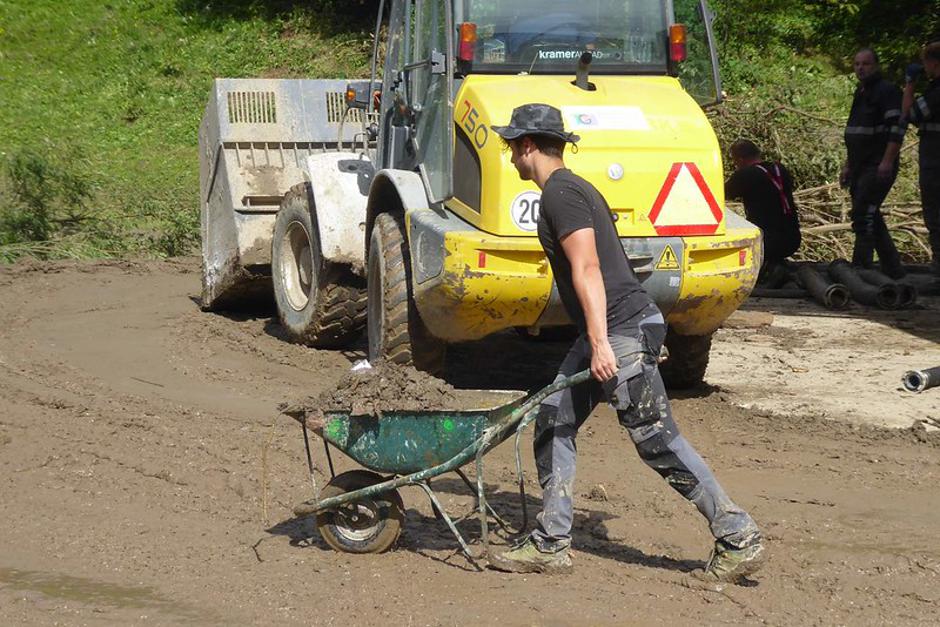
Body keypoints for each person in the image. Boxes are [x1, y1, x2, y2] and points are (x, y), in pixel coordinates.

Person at [486, 103, 764, 582]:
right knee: (554, 419)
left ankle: (738, 535)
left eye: (512, 148)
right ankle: (551, 543)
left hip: (620, 330)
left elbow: (588, 267)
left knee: (655, 438)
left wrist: (600, 343)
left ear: (528, 145)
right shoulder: (573, 189)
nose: (511, 158)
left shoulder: (561, 194)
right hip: (614, 327)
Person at [841, 48, 906, 278]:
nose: (860, 68)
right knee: (871, 214)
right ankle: (893, 268)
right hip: (859, 165)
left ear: (876, 65)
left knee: (863, 214)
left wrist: (887, 161)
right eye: (857, 64)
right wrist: (848, 165)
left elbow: (897, 130)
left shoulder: (887, 91)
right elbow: (854, 134)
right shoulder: (860, 92)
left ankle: (862, 268)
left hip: (877, 163)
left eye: (865, 64)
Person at [725, 140, 801, 285]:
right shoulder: (780, 169)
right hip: (793, 238)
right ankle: (774, 267)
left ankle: (769, 271)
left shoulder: (746, 175)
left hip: (765, 242)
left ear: (740, 159)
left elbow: (722, 194)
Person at [902, 42, 940, 276]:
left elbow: (910, 114)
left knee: (935, 215)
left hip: (935, 164)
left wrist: (910, 84)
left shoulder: (936, 93)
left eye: (926, 63)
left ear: (934, 63)